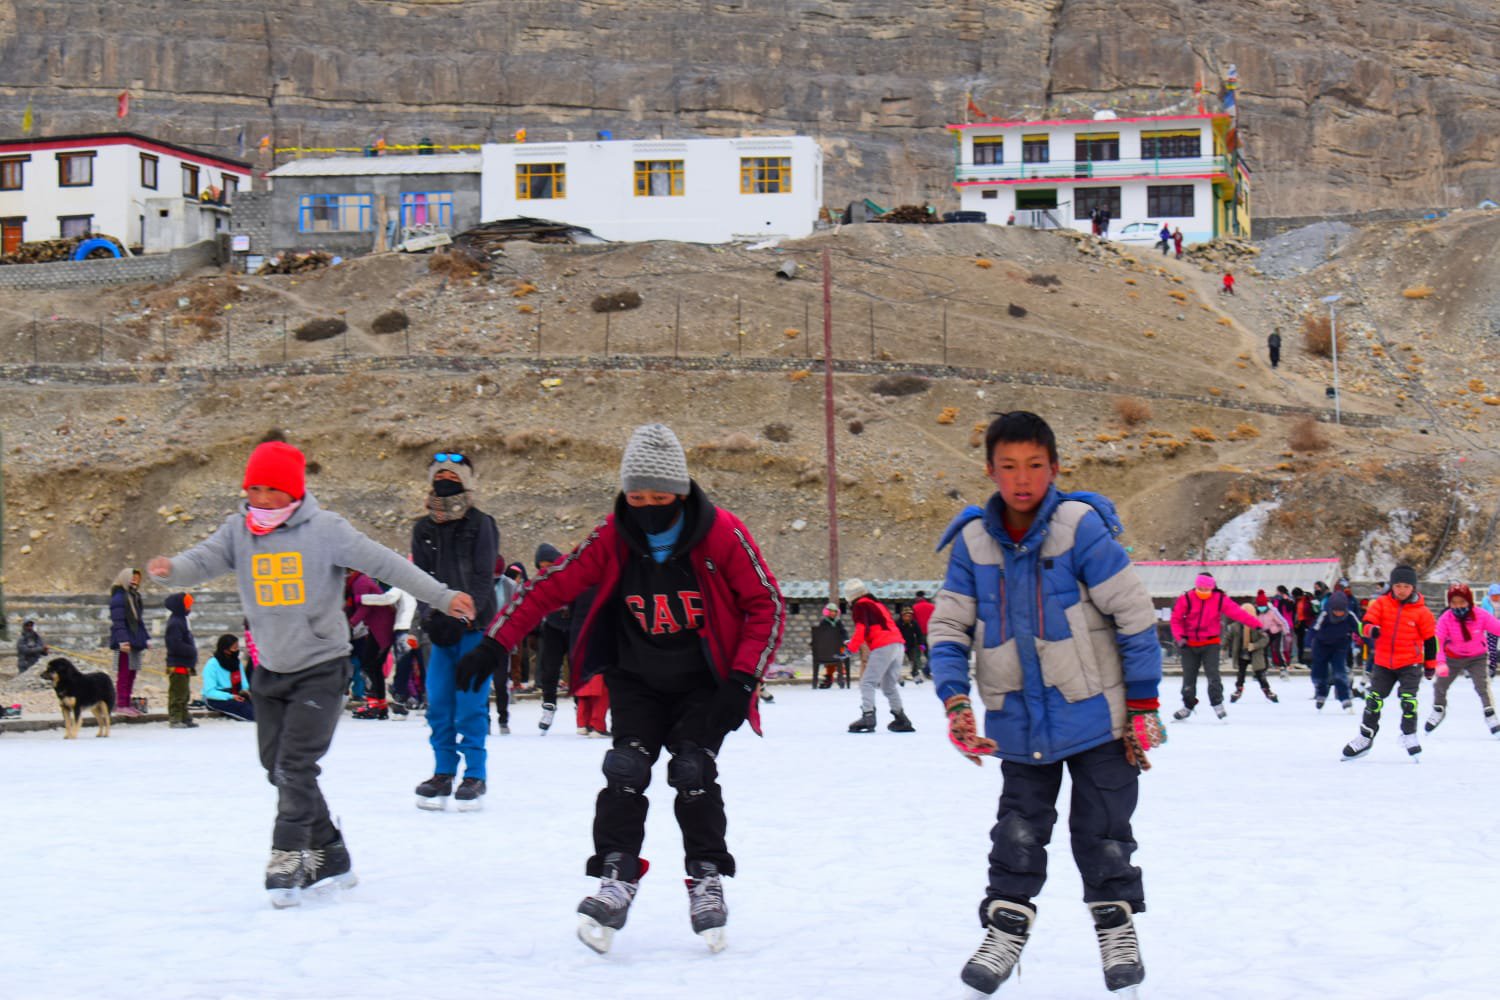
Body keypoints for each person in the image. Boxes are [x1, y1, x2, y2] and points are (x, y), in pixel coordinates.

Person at [451, 423, 784, 955]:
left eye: (660, 497)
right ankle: (616, 876)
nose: (648, 507)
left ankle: (706, 877)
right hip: (638, 679)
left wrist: (742, 680)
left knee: (692, 769)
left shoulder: (721, 533)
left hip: (704, 682)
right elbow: (549, 586)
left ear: (681, 492)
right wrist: (497, 642)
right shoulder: (614, 537)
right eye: (637, 496)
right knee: (625, 770)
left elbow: (767, 603)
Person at [147, 440, 475, 906]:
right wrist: (171, 569)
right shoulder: (238, 531)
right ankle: (331, 853)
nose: (259, 498)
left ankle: (288, 854)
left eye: (270, 490)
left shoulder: (326, 530)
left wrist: (442, 596)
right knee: (275, 769)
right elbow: (200, 560)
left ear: (293, 491)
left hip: (321, 667)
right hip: (270, 669)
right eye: (253, 488)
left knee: (294, 765)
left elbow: (387, 564)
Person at [929, 410, 1164, 997]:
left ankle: (1115, 924)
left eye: (1034, 465)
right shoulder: (973, 542)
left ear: (1055, 468)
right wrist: (956, 700)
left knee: (1104, 828)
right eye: (1008, 466)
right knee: (1017, 828)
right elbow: (949, 627)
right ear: (990, 471)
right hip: (1018, 721)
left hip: (1100, 718)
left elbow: (1134, 617)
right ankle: (1006, 925)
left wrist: (1143, 707)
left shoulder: (1080, 528)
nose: (1022, 478)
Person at [410, 452, 500, 811]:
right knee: (439, 704)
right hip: (440, 628)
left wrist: (464, 614)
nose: (444, 478)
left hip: (473, 628)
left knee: (470, 704)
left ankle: (475, 774)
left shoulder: (481, 524)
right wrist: (430, 615)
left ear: (465, 480)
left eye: (452, 473)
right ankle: (443, 770)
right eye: (439, 473)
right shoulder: (423, 528)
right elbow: (418, 578)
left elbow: (483, 577)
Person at [1341, 565, 1436, 761]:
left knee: (1409, 701)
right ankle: (1365, 737)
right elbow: (1364, 624)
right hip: (1384, 662)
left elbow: (1430, 640)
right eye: (1398, 585)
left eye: (1406, 586)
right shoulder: (1381, 604)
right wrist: (1371, 630)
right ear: (1392, 586)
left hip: (1410, 663)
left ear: (1413, 588)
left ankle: (1409, 735)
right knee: (1374, 700)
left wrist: (1430, 665)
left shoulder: (1422, 612)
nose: (1402, 590)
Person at [1169, 573, 1265, 720]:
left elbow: (1238, 613)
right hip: (1189, 644)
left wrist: (1256, 625)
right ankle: (1188, 705)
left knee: (1213, 676)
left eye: (1207, 589)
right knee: (1189, 678)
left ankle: (1217, 703)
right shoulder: (1186, 598)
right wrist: (1180, 637)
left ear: (1212, 588)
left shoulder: (1219, 599)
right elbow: (1176, 620)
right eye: (1200, 588)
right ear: (1196, 586)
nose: (1203, 592)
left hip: (1210, 643)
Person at [1427, 583, 1500, 736]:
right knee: (1440, 685)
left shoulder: (1480, 615)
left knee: (1482, 686)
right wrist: (1440, 662)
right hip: (1452, 657)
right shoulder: (1446, 618)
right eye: (1454, 603)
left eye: (1462, 602)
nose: (1458, 606)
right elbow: (1438, 641)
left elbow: (1497, 628)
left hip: (1477, 657)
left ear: (1469, 601)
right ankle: (1439, 709)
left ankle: (1490, 715)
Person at [843, 579, 913, 733]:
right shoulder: (877, 604)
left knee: (867, 682)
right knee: (889, 685)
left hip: (883, 646)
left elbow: (862, 629)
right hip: (898, 645)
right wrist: (853, 643)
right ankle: (901, 718)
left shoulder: (860, 605)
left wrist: (850, 648)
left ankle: (868, 715)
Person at [347, 570, 400, 720]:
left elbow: (365, 606)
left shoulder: (360, 582)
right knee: (373, 666)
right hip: (378, 626)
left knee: (370, 665)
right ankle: (379, 705)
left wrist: (351, 623)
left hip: (380, 627)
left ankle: (375, 704)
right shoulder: (358, 581)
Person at [532, 543, 572, 734]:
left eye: (548, 564)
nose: (545, 569)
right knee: (549, 669)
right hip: (552, 628)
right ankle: (548, 706)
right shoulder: (540, 582)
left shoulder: (572, 574)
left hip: (573, 627)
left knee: (579, 667)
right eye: (541, 566)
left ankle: (583, 708)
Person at [1306, 591, 1360, 711]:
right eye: (1336, 610)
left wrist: (1368, 641)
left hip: (1340, 646)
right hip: (1322, 646)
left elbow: (1360, 629)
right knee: (1318, 672)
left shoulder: (1350, 616)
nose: (1339, 613)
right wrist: (1308, 643)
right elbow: (1314, 629)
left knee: (1339, 671)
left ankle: (1344, 697)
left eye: (1341, 610)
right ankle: (1321, 693)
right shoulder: (1324, 615)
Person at [108, 567, 151, 717]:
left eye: (137, 579)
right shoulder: (119, 597)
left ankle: (126, 702)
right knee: (124, 673)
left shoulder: (134, 597)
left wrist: (146, 638)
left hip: (135, 642)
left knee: (132, 673)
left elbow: (139, 622)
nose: (135, 581)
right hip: (124, 643)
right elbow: (118, 622)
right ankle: (121, 704)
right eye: (132, 578)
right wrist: (122, 641)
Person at [1227, 601, 1277, 704]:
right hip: (1242, 653)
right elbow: (1228, 637)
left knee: (1260, 673)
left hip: (1255, 653)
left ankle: (1267, 690)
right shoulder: (1236, 625)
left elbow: (1265, 639)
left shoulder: (1257, 625)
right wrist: (1222, 648)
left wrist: (1255, 645)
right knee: (1241, 673)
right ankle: (1238, 689)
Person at [163, 592, 199, 729]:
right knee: (177, 693)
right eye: (188, 605)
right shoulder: (175, 622)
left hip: (184, 663)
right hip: (178, 663)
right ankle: (175, 718)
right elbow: (174, 644)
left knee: (184, 693)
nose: (190, 608)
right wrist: (191, 650)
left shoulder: (182, 620)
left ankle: (184, 717)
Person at [204, 634, 254, 721]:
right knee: (249, 711)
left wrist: (246, 693)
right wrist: (231, 696)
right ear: (225, 650)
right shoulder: (212, 664)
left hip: (237, 695)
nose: (237, 650)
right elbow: (209, 692)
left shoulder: (237, 663)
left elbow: (244, 685)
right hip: (217, 698)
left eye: (238, 647)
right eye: (234, 648)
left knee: (261, 705)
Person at [809, 604, 850, 688]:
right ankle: (831, 676)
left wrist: (845, 640)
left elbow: (843, 632)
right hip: (827, 649)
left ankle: (837, 675)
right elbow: (820, 635)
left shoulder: (838, 622)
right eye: (831, 611)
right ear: (827, 612)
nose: (833, 613)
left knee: (839, 654)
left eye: (835, 611)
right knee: (831, 656)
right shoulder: (824, 622)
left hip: (837, 647)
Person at [897, 605, 926, 684]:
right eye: (906, 616)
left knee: (914, 660)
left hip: (911, 645)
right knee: (899, 661)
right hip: (899, 645)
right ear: (902, 616)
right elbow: (895, 635)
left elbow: (919, 634)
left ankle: (915, 674)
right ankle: (898, 676)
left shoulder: (914, 623)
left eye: (909, 616)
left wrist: (921, 643)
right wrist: (901, 644)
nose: (907, 618)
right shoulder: (898, 623)